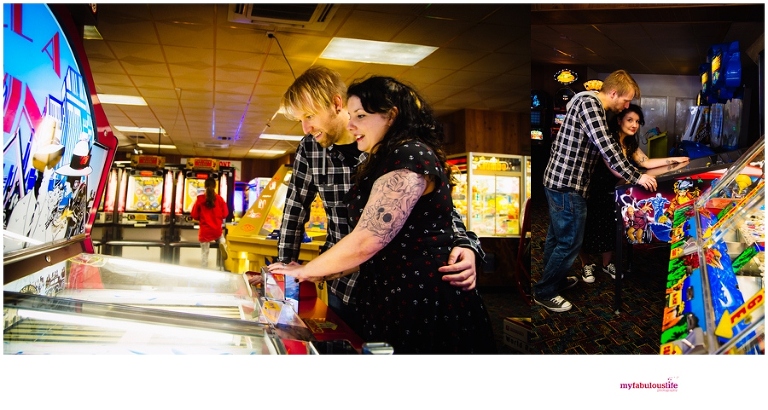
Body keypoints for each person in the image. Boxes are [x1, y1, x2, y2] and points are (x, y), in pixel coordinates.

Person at [270, 76, 496, 354]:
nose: (353, 126)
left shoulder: (404, 155)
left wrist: (466, 244)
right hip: (361, 284)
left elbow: (372, 238)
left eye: (361, 116)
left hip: (416, 294)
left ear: (390, 116)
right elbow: (294, 209)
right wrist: (287, 276)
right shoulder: (357, 152)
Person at [535, 69, 659, 313]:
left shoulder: (591, 104)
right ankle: (544, 291)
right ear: (613, 93)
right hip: (566, 184)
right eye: (625, 100)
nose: (626, 107)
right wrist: (636, 176)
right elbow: (608, 148)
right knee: (570, 242)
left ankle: (553, 282)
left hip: (560, 181)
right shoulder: (590, 104)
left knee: (556, 238)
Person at [579, 104, 689, 283]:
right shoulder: (609, 140)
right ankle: (586, 265)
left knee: (609, 228)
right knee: (588, 228)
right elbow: (615, 168)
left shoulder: (629, 142)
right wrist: (639, 177)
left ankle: (606, 264)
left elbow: (645, 162)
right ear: (619, 120)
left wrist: (674, 160)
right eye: (630, 120)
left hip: (616, 191)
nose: (634, 125)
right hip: (596, 188)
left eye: (637, 121)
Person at [190, 177, 228, 268]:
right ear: (215, 186)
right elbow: (225, 214)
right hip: (216, 229)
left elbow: (194, 215)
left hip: (205, 231)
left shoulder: (200, 199)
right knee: (221, 238)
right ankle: (223, 245)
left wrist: (201, 217)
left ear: (204, 186)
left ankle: (204, 272)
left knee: (204, 254)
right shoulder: (220, 199)